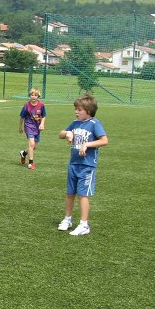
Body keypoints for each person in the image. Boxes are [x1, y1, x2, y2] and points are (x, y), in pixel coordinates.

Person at [57, 93, 108, 236]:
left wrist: (87, 144)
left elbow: (104, 140)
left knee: (83, 194)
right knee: (70, 193)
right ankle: (67, 219)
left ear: (88, 111)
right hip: (73, 164)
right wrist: (67, 134)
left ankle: (84, 224)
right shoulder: (75, 123)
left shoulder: (94, 124)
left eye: (79, 110)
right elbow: (60, 133)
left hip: (87, 166)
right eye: (76, 109)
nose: (76, 112)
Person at [18, 87, 46, 170]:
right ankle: (30, 163)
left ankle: (23, 153)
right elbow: (22, 117)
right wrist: (20, 127)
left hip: (37, 127)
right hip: (29, 126)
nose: (33, 96)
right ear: (30, 95)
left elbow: (44, 116)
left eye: (35, 95)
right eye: (32, 95)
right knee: (31, 144)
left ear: (38, 96)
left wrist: (42, 124)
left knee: (35, 146)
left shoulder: (41, 105)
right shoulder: (26, 105)